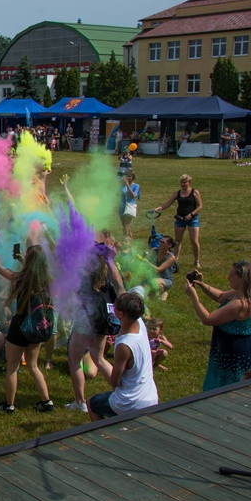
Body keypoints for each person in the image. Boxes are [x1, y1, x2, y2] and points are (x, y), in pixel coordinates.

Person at [0, 237, 54, 413]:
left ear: (28, 262)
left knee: (12, 368)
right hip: (36, 326)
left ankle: (9, 405)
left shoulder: (20, 279)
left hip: (19, 327)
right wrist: (23, 260)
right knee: (34, 366)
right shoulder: (47, 281)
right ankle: (47, 401)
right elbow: (33, 273)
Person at [185, 261, 251, 390]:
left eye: (231, 275)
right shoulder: (241, 293)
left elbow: (208, 319)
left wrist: (194, 297)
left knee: (227, 391)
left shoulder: (239, 304)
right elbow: (221, 296)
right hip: (235, 349)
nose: (228, 277)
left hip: (234, 355)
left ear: (242, 279)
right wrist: (201, 284)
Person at [65, 243, 124, 414]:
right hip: (102, 322)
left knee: (74, 360)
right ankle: (121, 391)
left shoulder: (83, 274)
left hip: (85, 321)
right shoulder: (104, 274)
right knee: (99, 358)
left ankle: (80, 402)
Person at [88, 292, 158, 421]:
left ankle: (102, 438)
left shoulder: (124, 346)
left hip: (130, 403)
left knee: (92, 403)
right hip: (151, 398)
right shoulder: (140, 323)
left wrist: (99, 359)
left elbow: (115, 382)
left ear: (120, 314)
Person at [155, 174, 203, 269]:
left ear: (189, 183)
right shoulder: (177, 193)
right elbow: (167, 204)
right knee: (177, 241)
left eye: (185, 182)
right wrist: (159, 208)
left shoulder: (194, 192)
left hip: (192, 219)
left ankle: (196, 261)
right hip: (180, 219)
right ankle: (175, 260)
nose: (183, 184)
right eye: (181, 182)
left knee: (194, 241)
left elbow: (200, 206)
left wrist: (191, 214)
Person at [120, 171, 140, 241]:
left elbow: (134, 195)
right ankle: (130, 243)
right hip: (122, 206)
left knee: (126, 225)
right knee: (125, 227)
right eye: (126, 176)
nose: (128, 177)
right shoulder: (123, 185)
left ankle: (126, 244)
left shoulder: (136, 185)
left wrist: (128, 185)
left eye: (129, 176)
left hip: (130, 206)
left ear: (133, 177)